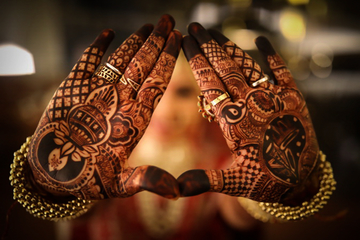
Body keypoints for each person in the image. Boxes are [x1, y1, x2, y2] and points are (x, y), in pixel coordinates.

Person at [9, 14, 335, 240]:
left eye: (180, 92)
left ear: (206, 99)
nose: (162, 107)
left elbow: (237, 218)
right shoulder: (99, 154)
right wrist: (52, 182)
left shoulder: (226, 149)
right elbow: (80, 220)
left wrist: (283, 184)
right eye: (151, 93)